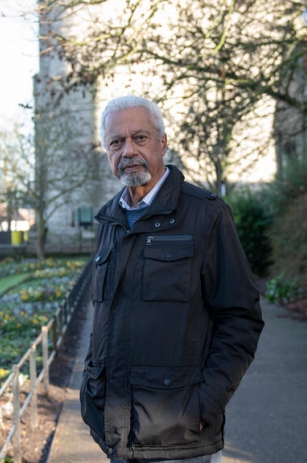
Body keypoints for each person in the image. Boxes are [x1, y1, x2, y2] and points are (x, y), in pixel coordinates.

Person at [81, 95, 264, 463]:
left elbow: (241, 320)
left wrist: (204, 405)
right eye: (116, 142)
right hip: (115, 429)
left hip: (180, 436)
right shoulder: (109, 222)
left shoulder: (206, 215)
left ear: (162, 143)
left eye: (140, 138)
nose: (128, 150)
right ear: (107, 151)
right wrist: (92, 397)